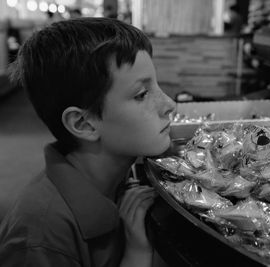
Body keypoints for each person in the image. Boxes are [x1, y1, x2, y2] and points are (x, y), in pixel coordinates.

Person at [0, 17, 176, 267]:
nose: (170, 104)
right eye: (141, 94)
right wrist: (135, 255)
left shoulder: (117, 177)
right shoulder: (42, 238)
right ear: (84, 124)